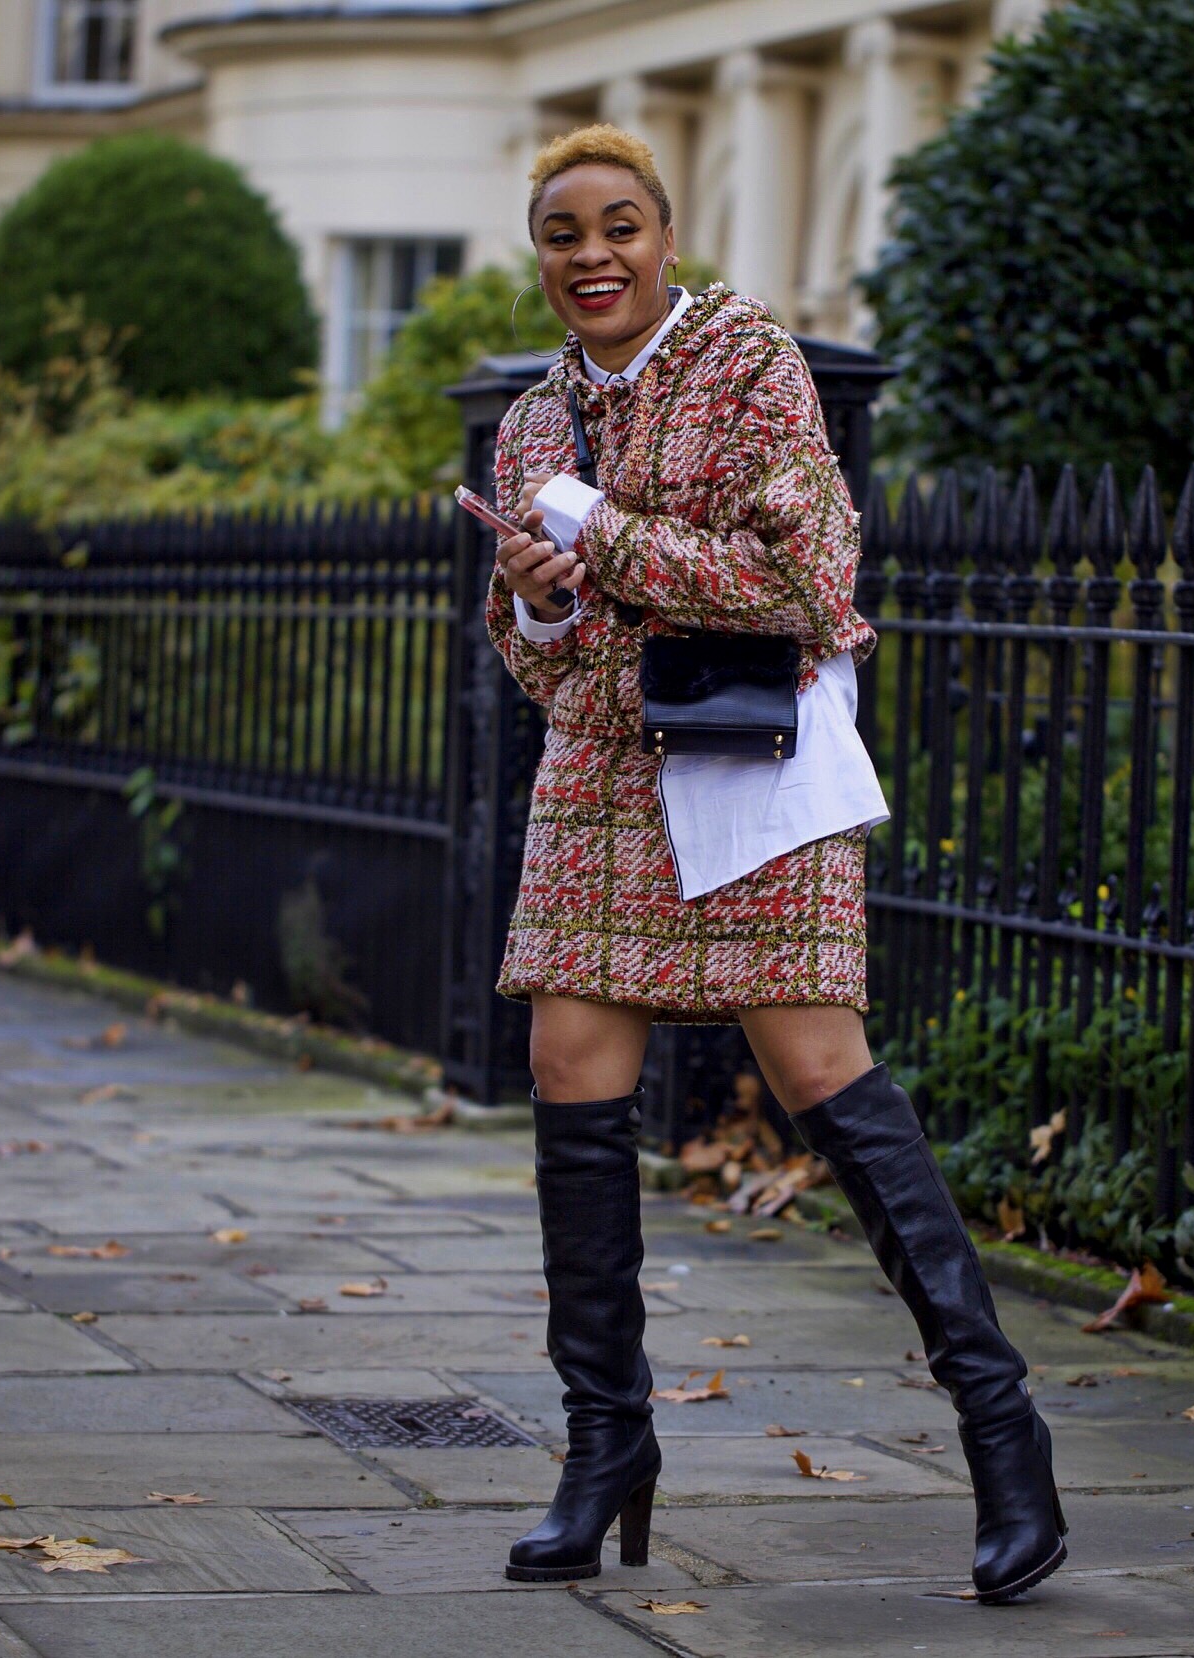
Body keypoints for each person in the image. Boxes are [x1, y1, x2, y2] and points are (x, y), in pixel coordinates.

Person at [485, 124, 1065, 1604]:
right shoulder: (533, 423)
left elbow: (807, 581)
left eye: (620, 225)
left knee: (820, 1074)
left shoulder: (748, 361)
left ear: (665, 237)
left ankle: (1004, 1436)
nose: (594, 255)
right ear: (539, 257)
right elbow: (538, 661)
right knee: (566, 1069)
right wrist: (541, 602)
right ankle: (605, 1444)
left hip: (753, 768)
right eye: (564, 233)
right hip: (601, 777)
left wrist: (603, 536)